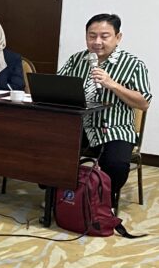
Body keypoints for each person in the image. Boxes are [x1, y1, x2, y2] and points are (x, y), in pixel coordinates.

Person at [58, 13, 151, 209]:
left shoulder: (133, 64)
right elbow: (58, 85)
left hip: (116, 127)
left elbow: (144, 103)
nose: (97, 42)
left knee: (116, 163)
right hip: (80, 125)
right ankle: (59, 197)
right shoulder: (77, 59)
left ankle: (103, 204)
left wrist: (112, 84)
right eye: (92, 36)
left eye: (104, 36)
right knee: (53, 150)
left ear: (118, 37)